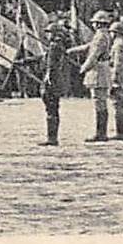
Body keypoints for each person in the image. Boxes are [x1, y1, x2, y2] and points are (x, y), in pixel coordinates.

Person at [77, 10, 116, 143]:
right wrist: (73, 50)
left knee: (99, 102)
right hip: (102, 69)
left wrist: (83, 69)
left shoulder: (100, 36)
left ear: (98, 24)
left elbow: (94, 55)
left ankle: (101, 133)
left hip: (98, 70)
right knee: (101, 101)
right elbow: (89, 47)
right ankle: (101, 132)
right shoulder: (104, 35)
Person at [38, 13, 74, 147]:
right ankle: (52, 137)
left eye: (49, 32)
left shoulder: (54, 46)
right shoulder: (58, 46)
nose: (47, 35)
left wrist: (48, 78)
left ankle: (52, 138)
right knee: (53, 108)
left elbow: (51, 65)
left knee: (51, 109)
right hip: (56, 80)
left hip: (52, 81)